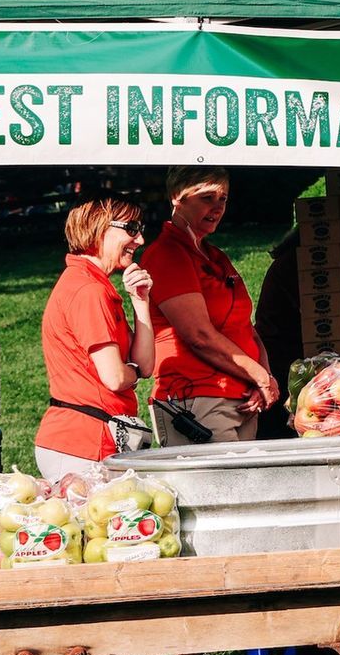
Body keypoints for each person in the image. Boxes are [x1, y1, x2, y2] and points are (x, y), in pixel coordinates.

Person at [138, 166, 278, 446]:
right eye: (206, 197)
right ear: (177, 196)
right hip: (197, 401)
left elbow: (246, 327)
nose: (216, 207)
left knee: (246, 487)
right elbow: (198, 336)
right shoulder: (168, 254)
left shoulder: (214, 254)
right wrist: (259, 376)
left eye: (222, 199)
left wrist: (264, 377)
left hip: (242, 399)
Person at [33, 197, 156, 480]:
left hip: (94, 439)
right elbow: (115, 377)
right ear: (99, 228)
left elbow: (145, 365)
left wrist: (140, 303)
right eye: (132, 228)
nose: (140, 239)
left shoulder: (95, 285)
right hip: (84, 442)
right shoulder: (88, 290)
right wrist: (133, 373)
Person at [252, 229, 303, 439]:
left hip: (282, 354)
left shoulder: (290, 260)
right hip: (281, 359)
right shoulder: (296, 264)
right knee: (280, 430)